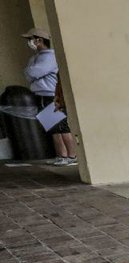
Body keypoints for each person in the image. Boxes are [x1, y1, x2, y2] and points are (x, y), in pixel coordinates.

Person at [22, 28, 78, 167]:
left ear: (39, 40)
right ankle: (61, 155)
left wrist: (30, 72)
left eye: (31, 39)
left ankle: (72, 156)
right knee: (52, 127)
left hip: (51, 95)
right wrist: (30, 72)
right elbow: (28, 72)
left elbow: (33, 72)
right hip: (40, 95)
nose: (29, 42)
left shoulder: (50, 56)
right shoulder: (35, 57)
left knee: (61, 126)